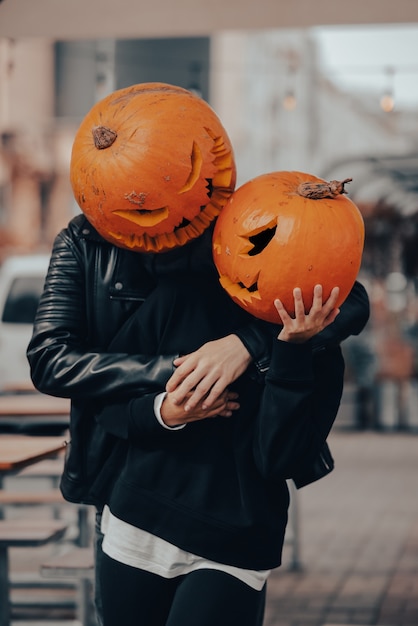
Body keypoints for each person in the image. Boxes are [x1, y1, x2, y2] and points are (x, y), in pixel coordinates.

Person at [27, 215, 369, 625]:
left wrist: (282, 350)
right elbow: (111, 409)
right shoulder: (176, 297)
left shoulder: (314, 345)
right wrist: (169, 407)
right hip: (138, 522)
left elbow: (282, 459)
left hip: (237, 541)